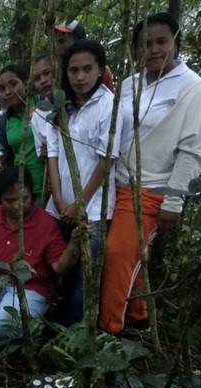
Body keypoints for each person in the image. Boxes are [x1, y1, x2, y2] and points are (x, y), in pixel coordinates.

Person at [99, 12, 201, 333]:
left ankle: (109, 333)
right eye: (145, 44)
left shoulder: (193, 89)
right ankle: (137, 319)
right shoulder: (132, 83)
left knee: (117, 255)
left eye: (162, 42)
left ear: (176, 43)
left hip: (152, 188)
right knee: (128, 257)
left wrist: (174, 201)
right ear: (135, 50)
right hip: (117, 184)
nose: (154, 50)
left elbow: (193, 150)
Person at [0, 165, 85, 338]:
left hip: (33, 287)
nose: (18, 206)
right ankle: (1, 327)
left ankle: (4, 327)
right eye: (10, 201)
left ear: (31, 194)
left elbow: (60, 267)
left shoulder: (46, 223)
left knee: (3, 324)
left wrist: (74, 243)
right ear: (0, 199)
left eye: (24, 199)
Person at [45, 40, 120, 326]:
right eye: (73, 70)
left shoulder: (110, 106)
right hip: (59, 206)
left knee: (83, 277)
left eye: (87, 69)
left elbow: (106, 159)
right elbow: (52, 154)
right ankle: (57, 325)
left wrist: (79, 204)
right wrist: (61, 201)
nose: (80, 77)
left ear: (100, 69)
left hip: (94, 208)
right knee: (60, 268)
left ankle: (73, 335)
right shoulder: (59, 107)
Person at [0, 65, 45, 204]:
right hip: (21, 190)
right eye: (2, 88)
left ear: (25, 83)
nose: (7, 92)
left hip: (49, 183)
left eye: (13, 84)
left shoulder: (42, 104)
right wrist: (1, 163)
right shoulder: (3, 122)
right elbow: (9, 152)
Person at [55, 20, 115, 92]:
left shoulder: (101, 71)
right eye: (56, 41)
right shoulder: (51, 69)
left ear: (78, 42)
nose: (57, 46)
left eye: (62, 41)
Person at [30, 54, 54, 164]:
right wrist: (44, 153)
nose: (43, 81)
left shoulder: (74, 105)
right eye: (37, 78)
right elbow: (40, 154)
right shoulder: (38, 115)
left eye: (47, 73)